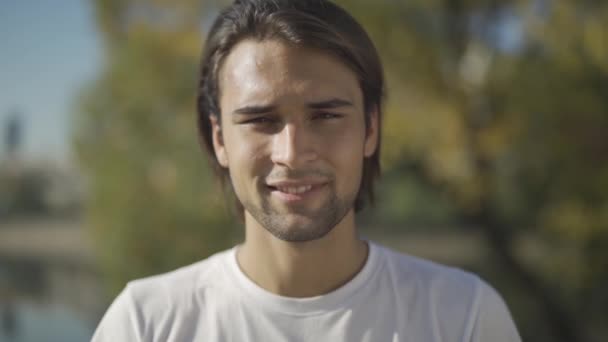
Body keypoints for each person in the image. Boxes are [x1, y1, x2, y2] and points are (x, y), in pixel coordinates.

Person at [92, 0, 522, 341]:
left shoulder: (462, 317)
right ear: (220, 139)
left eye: (326, 116)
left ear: (370, 128)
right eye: (261, 120)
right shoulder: (145, 324)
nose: (293, 154)